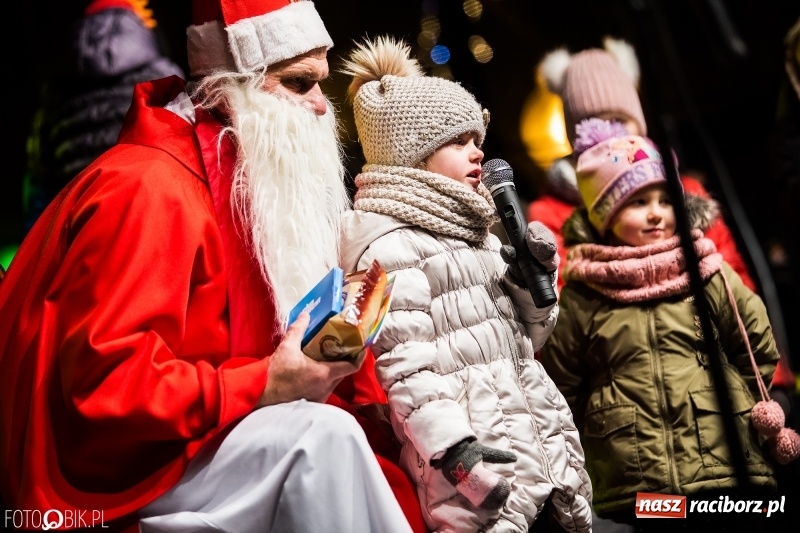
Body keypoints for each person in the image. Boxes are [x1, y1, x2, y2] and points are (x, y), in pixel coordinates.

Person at [0, 1, 426, 532]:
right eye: (299, 83)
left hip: (204, 436)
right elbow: (107, 386)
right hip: (124, 474)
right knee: (321, 443)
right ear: (227, 90)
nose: (322, 106)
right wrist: (266, 382)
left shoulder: (248, 181)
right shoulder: (149, 189)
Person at [339, 36, 593, 533]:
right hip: (479, 476)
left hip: (540, 455)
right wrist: (457, 455)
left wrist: (530, 284)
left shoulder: (477, 234)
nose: (479, 153)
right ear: (412, 155)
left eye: (478, 139)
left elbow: (530, 338)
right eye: (459, 141)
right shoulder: (389, 247)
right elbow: (405, 368)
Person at [538, 118, 781, 531]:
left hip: (724, 460)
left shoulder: (707, 272)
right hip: (639, 480)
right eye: (637, 203)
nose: (656, 214)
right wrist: (602, 428)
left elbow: (754, 345)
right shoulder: (585, 294)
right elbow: (564, 384)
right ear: (605, 217)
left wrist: (734, 399)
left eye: (665, 201)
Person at [530, 37, 756, 294]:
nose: (612, 135)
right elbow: (562, 298)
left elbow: (735, 280)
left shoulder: (686, 191)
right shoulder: (551, 213)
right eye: (595, 124)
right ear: (576, 137)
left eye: (619, 121)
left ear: (639, 125)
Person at [22, 0, 185, 233]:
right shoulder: (165, 76)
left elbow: (38, 183)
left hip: (77, 233)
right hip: (149, 225)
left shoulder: (53, 93)